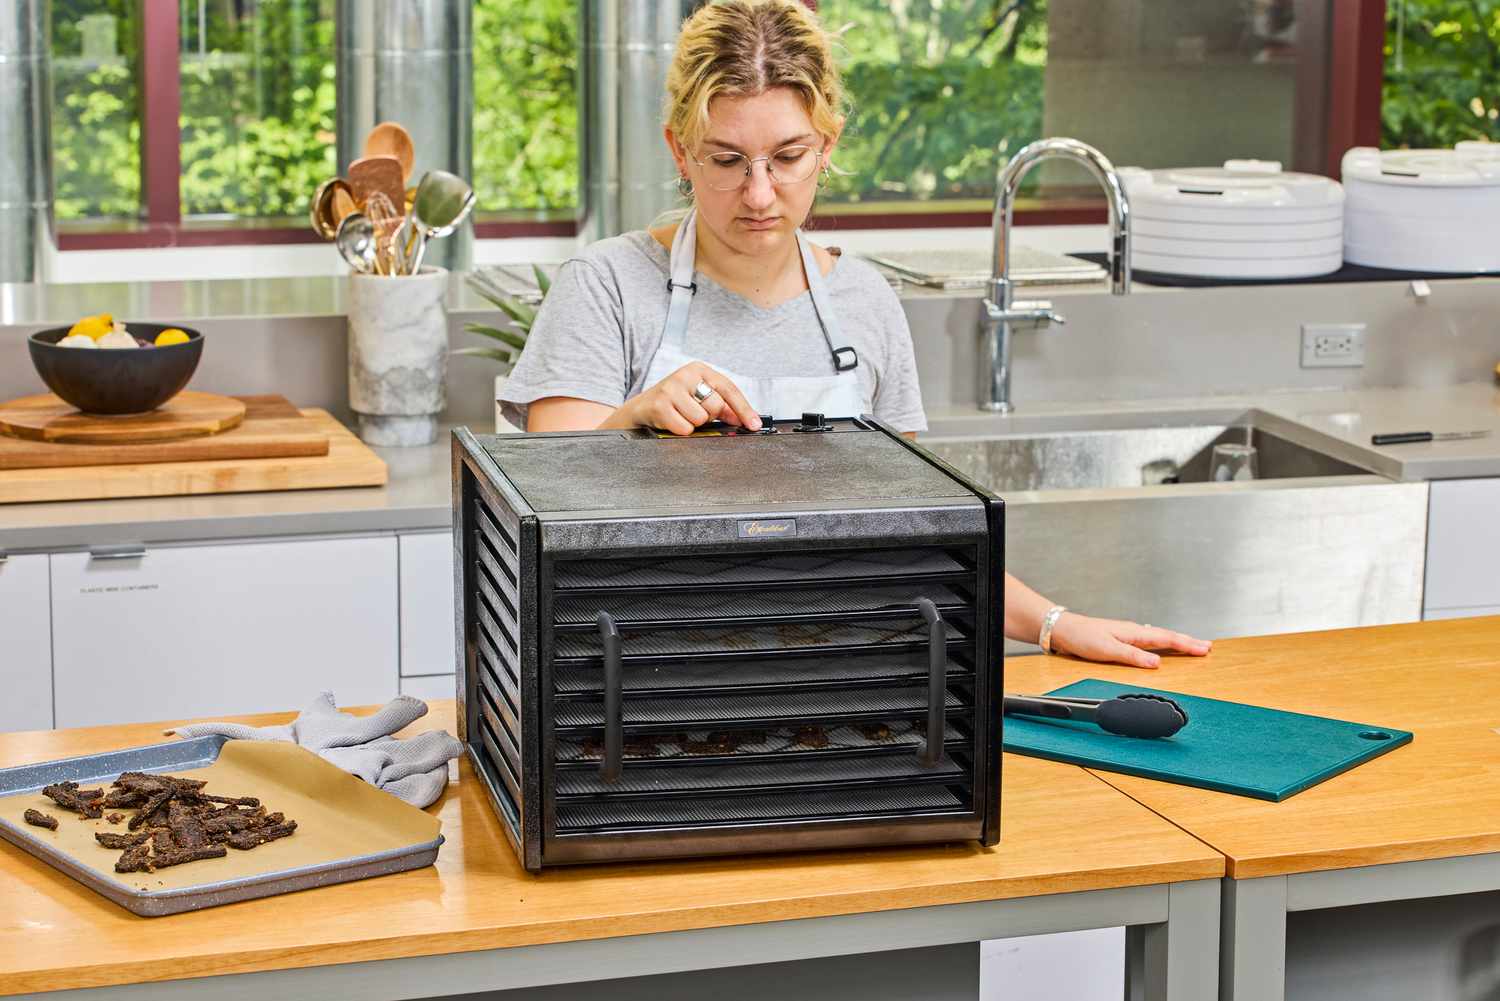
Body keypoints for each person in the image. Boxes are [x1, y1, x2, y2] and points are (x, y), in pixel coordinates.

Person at [499, 0, 1210, 669]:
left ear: (827, 146)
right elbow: (540, 498)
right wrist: (633, 419)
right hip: (648, 675)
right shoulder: (608, 283)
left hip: (841, 675)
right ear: (679, 152)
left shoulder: (863, 300)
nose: (758, 193)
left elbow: (926, 533)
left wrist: (1055, 625)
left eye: (788, 156)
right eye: (725, 160)